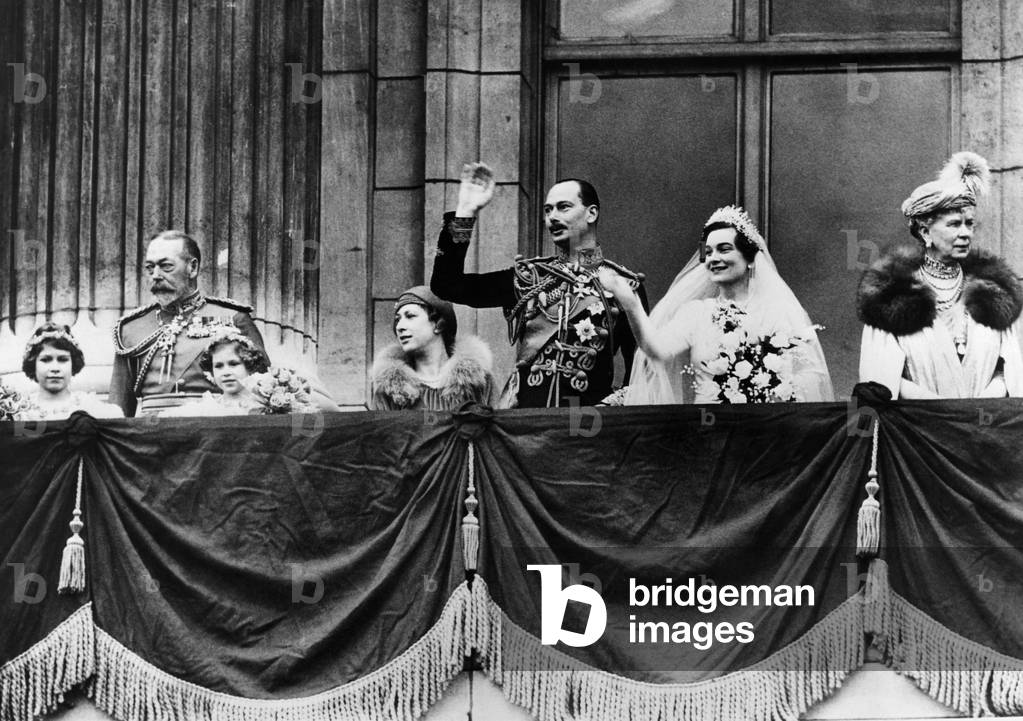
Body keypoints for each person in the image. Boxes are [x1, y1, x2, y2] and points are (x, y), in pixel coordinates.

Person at [430, 162, 647, 408]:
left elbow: (642, 370)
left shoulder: (624, 285)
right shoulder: (528, 278)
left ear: (591, 213)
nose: (552, 217)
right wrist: (465, 211)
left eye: (563, 207)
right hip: (527, 421)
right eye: (547, 210)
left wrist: (610, 409)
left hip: (588, 425)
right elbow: (446, 284)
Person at [599, 205, 833, 404]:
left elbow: (811, 375)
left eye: (724, 249)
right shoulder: (697, 313)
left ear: (750, 259)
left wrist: (774, 391)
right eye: (708, 252)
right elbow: (657, 350)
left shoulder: (778, 311)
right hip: (710, 429)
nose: (713, 259)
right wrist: (631, 304)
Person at [857, 151, 1023, 398]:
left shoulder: (994, 292)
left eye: (969, 223)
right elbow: (882, 381)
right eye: (954, 224)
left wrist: (974, 409)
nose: (966, 233)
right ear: (925, 232)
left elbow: (1009, 372)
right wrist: (944, 410)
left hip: (983, 418)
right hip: (918, 419)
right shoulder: (891, 296)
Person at [109, 230, 268, 417]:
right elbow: (118, 408)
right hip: (150, 432)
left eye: (166, 266)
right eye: (150, 268)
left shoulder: (232, 318)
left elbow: (263, 390)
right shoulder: (131, 328)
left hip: (213, 427)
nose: (156, 275)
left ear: (192, 268)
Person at [372, 286, 494, 410]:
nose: (399, 327)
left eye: (410, 316)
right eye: (397, 319)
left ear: (439, 325)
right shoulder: (389, 390)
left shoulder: (477, 382)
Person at [21, 322, 123, 420]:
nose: (55, 368)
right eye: (46, 360)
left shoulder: (89, 406)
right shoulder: (22, 410)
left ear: (73, 364)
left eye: (62, 359)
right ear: (33, 364)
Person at [164, 332, 273, 416]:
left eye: (233, 364)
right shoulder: (207, 407)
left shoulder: (266, 406)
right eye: (218, 366)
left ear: (249, 366)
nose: (226, 373)